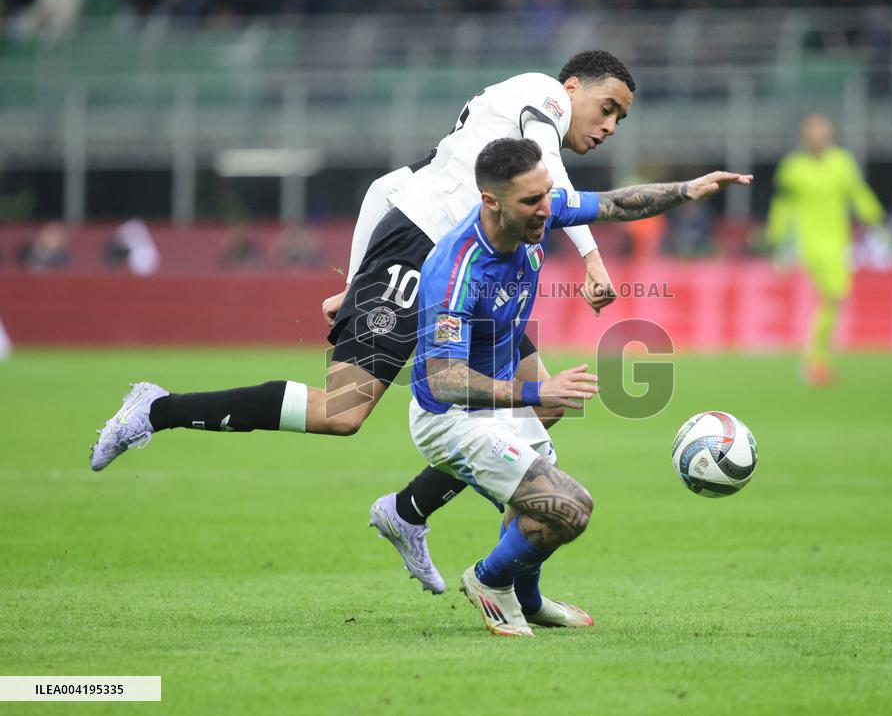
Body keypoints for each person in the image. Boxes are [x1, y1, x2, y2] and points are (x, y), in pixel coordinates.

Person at [89, 51, 633, 589]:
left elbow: (385, 185)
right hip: (418, 252)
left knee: (540, 402)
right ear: (570, 89)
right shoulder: (538, 95)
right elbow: (551, 184)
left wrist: (351, 279)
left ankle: (408, 511)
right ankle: (156, 409)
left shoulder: (478, 140)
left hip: (474, 272)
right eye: (606, 107)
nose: (609, 126)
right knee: (342, 412)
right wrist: (590, 256)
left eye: (620, 119)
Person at [410, 137, 750, 635]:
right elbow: (445, 381)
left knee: (538, 506)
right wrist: (536, 394)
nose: (546, 210)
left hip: (497, 400)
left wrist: (688, 189)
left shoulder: (538, 214)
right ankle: (487, 580)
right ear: (490, 202)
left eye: (547, 193)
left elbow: (612, 203)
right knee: (568, 508)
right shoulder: (455, 271)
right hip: (451, 419)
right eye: (531, 201)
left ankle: (526, 601)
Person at [765, 113, 884, 386]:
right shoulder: (793, 167)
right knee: (828, 298)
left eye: (822, 133)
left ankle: (816, 357)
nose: (818, 138)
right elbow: (783, 205)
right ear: (804, 137)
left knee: (834, 298)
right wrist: (777, 239)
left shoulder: (842, 163)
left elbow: (858, 193)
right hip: (806, 243)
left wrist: (875, 218)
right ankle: (814, 360)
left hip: (837, 242)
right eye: (812, 133)